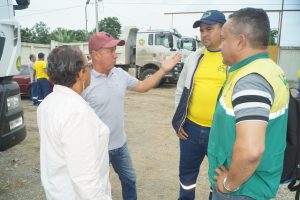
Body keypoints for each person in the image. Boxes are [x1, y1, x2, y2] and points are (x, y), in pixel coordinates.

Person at [82, 32, 181, 200]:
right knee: (98, 188)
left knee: (129, 180)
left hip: (120, 145)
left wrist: (163, 70)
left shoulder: (119, 74)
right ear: (96, 54)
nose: (116, 54)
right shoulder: (84, 80)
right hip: (97, 149)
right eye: (111, 50)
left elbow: (142, 86)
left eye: (116, 50)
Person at [207, 8, 289, 200]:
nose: (220, 45)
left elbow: (251, 150)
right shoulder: (269, 68)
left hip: (243, 191)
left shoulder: (251, 80)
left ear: (240, 41)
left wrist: (228, 185)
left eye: (224, 38)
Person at [37, 45, 111, 200]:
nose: (90, 70)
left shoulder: (47, 103)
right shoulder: (76, 112)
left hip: (58, 192)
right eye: (88, 66)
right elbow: (85, 180)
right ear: (80, 73)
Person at [172, 10, 227, 200]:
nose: (204, 34)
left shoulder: (232, 59)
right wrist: (178, 121)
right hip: (191, 130)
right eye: (202, 30)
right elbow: (181, 90)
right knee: (187, 177)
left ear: (223, 30)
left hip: (220, 133)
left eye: (209, 29)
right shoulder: (195, 58)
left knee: (219, 178)